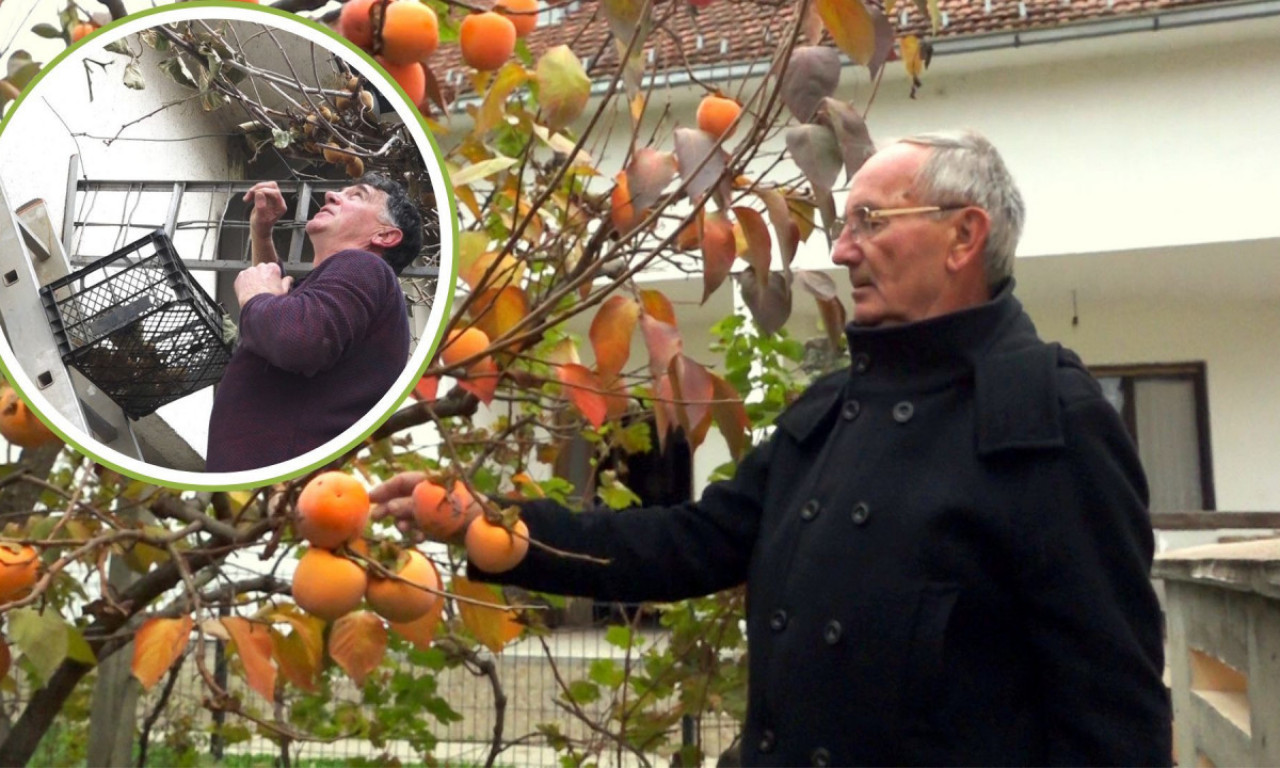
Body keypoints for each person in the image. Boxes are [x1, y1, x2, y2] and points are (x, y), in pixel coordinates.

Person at [371, 131, 1172, 765]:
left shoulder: (1051, 417)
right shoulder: (830, 410)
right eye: (842, 224)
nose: (844, 250)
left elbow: (1112, 714)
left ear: (964, 236)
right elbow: (682, 545)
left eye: (869, 222)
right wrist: (495, 527)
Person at [206, 174, 421, 472]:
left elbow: (296, 340)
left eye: (357, 195)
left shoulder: (364, 266)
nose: (332, 194)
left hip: (271, 478)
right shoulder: (353, 284)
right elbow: (277, 323)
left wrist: (255, 298)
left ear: (384, 236)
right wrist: (262, 233)